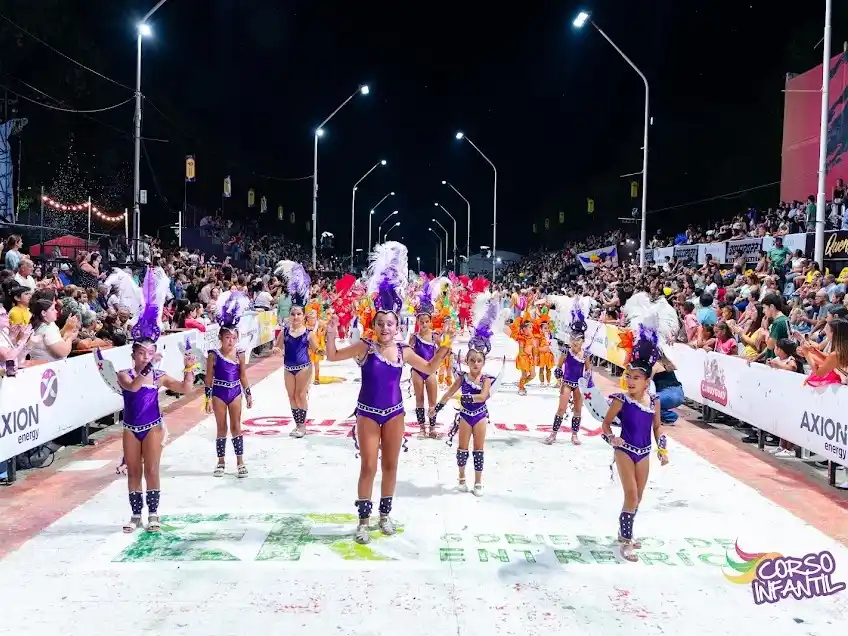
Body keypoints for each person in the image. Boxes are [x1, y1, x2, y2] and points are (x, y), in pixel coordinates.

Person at [324, 242, 453, 544]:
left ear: (398, 325)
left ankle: (385, 515)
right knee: (368, 465)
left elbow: (431, 369)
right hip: (367, 413)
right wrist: (330, 332)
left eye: (389, 323)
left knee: (391, 465)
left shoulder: (404, 351)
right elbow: (331, 356)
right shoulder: (364, 347)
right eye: (380, 323)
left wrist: (445, 345)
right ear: (374, 325)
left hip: (395, 413)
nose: (384, 327)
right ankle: (363, 520)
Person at [103, 267, 199, 533]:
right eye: (143, 353)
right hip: (131, 429)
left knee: (152, 471)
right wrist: (148, 367)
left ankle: (154, 513)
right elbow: (133, 388)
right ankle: (136, 515)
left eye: (151, 352)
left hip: (153, 427)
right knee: (133, 472)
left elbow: (185, 389)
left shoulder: (159, 375)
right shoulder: (124, 374)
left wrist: (190, 368)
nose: (147, 356)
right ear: (133, 353)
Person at [599, 320, 669, 562]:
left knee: (638, 496)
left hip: (645, 452)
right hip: (625, 451)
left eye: (636, 378)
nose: (630, 381)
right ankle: (626, 541)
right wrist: (611, 439)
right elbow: (605, 424)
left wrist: (662, 448)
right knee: (630, 494)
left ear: (646, 381)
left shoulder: (654, 401)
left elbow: (658, 427)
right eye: (628, 376)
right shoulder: (621, 400)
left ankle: (623, 532)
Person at [436, 297, 500, 496]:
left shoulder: (486, 379)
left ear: (483, 362)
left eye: (478, 361)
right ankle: (462, 478)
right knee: (462, 448)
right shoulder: (462, 377)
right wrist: (438, 406)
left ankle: (478, 481)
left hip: (479, 416)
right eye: (472, 360)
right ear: (466, 360)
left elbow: (483, 396)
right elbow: (450, 391)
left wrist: (469, 399)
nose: (475, 364)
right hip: (464, 416)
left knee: (478, 449)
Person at [206, 291, 252, 478]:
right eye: (227, 338)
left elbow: (242, 375)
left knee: (236, 426)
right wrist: (207, 398)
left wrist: (248, 393)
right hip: (218, 392)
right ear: (221, 338)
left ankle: (240, 461)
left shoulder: (240, 354)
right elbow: (208, 377)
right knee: (221, 427)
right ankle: (221, 461)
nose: (231, 341)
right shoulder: (213, 355)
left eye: (233, 338)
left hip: (235, 392)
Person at [272, 261, 320, 438]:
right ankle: (298, 424)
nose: (295, 317)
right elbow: (276, 347)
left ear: (303, 316)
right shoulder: (284, 332)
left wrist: (324, 349)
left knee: (300, 395)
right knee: (291, 396)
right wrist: (276, 350)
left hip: (304, 366)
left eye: (299, 314)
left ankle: (302, 426)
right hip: (288, 367)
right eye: (293, 314)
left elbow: (316, 350)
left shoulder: (308, 333)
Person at [545, 304, 591, 445]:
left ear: (582, 341)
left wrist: (588, 380)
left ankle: (574, 435)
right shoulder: (566, 352)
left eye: (577, 341)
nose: (574, 343)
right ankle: (553, 434)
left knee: (578, 409)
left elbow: (588, 370)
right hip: (567, 382)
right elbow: (559, 367)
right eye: (572, 340)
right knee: (561, 408)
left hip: (579, 385)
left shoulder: (586, 354)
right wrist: (558, 375)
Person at [410, 277, 441, 439]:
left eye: (426, 322)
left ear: (430, 322)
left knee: (432, 401)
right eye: (421, 322)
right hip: (417, 371)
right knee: (420, 400)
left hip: (430, 371)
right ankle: (422, 428)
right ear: (417, 322)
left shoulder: (435, 336)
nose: (424, 324)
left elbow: (443, 352)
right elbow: (408, 354)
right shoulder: (414, 337)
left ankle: (433, 428)